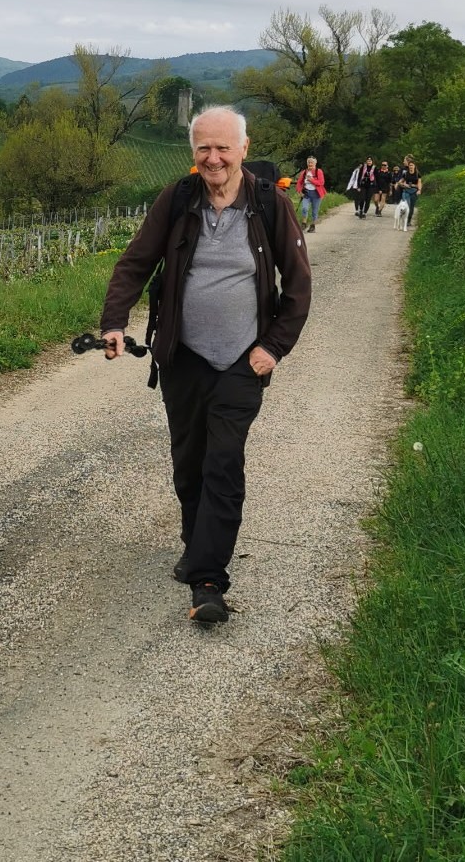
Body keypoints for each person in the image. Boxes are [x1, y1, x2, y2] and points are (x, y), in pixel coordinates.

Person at [99, 106, 312, 625]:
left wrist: (273, 347)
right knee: (189, 460)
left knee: (223, 461)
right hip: (184, 357)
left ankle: (209, 579)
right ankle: (196, 543)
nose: (213, 158)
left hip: (243, 361)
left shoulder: (270, 203)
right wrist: (114, 322)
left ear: (243, 148)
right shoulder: (177, 199)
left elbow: (299, 285)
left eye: (223, 148)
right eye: (203, 148)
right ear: (192, 152)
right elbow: (135, 262)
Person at [295, 156, 326, 232]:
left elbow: (321, 182)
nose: (310, 164)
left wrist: (311, 180)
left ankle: (312, 226)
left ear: (315, 163)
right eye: (308, 162)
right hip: (306, 193)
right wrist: (300, 191)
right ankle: (304, 224)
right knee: (304, 208)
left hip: (316, 194)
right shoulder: (304, 172)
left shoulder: (319, 171)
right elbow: (299, 183)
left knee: (314, 211)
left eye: (311, 162)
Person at [394, 155, 422, 227]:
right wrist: (403, 184)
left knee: (411, 207)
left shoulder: (417, 174)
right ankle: (403, 219)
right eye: (410, 165)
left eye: (412, 165)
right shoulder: (405, 173)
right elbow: (400, 181)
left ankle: (408, 220)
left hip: (414, 191)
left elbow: (419, 183)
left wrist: (419, 190)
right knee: (407, 205)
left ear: (414, 166)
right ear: (408, 166)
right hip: (406, 191)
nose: (411, 167)